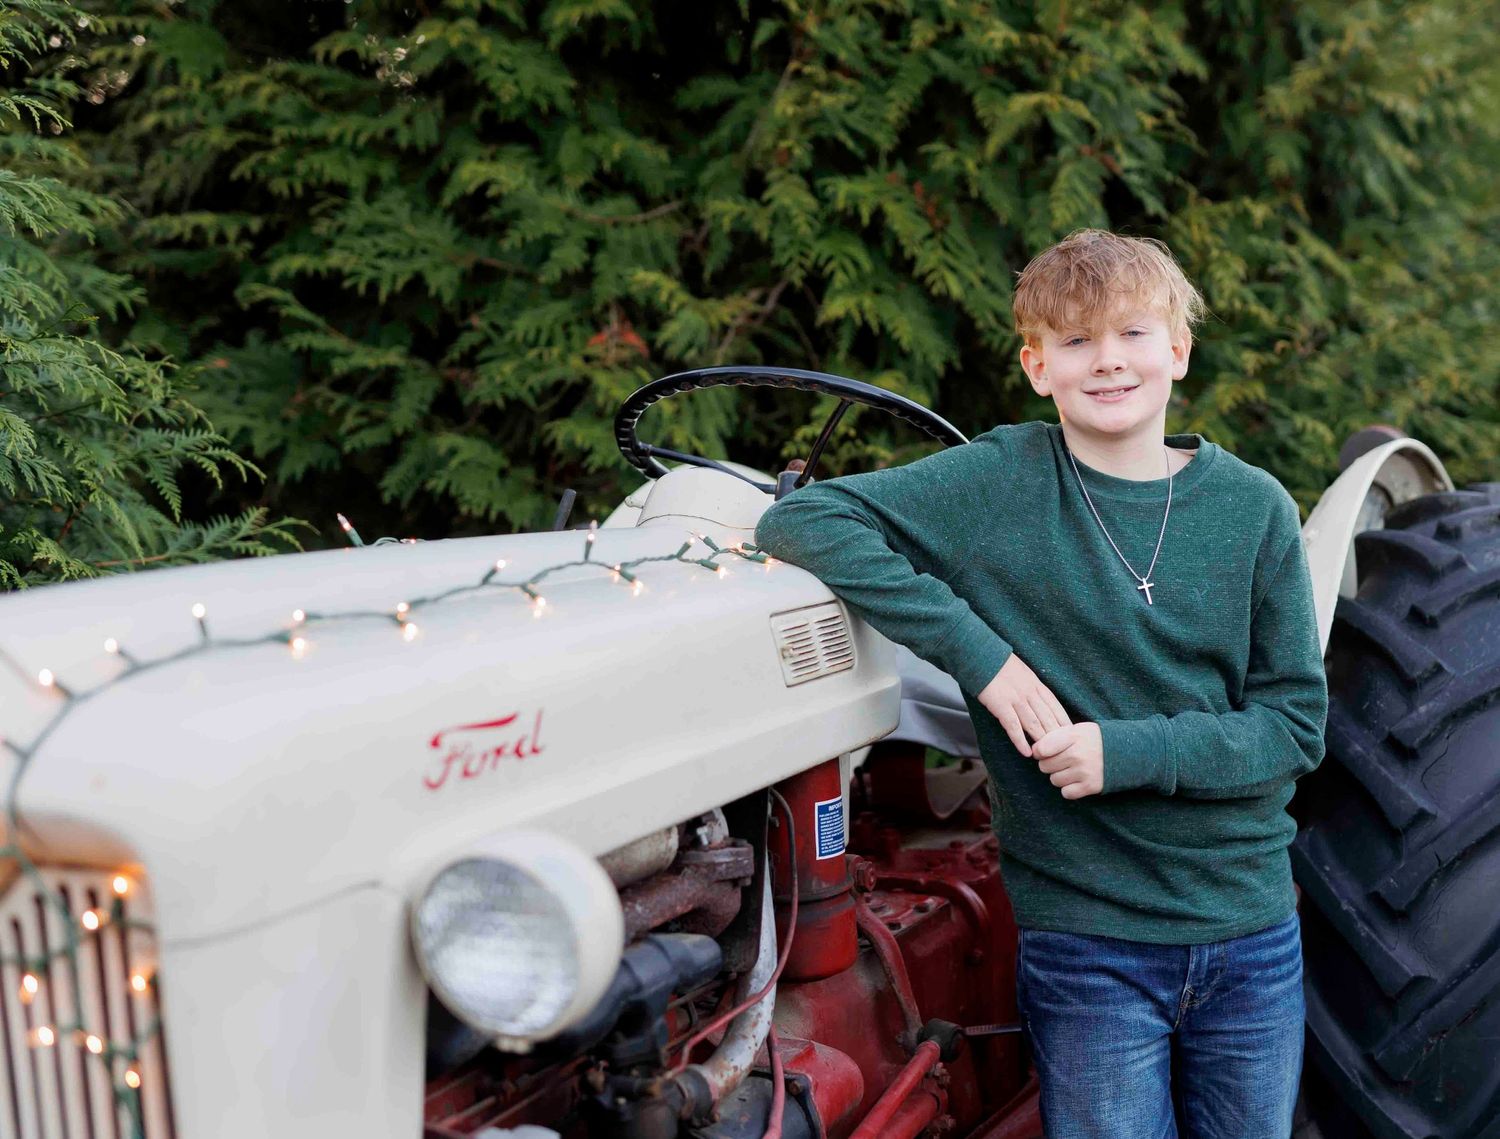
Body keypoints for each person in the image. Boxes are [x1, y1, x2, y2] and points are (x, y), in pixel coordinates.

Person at [753, 228, 1328, 1139]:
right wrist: (984, 657)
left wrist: (1124, 752)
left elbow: (1294, 728)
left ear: (1178, 350)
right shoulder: (1005, 481)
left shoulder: (1253, 507)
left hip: (1248, 934)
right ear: (1036, 365)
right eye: (1075, 341)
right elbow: (807, 519)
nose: (1108, 362)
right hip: (1090, 945)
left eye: (1134, 334)